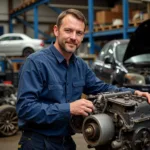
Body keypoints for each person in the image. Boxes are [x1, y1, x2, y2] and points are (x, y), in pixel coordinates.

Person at [16, 9, 150, 150]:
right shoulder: (36, 63)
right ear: (56, 31)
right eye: (68, 30)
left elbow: (103, 88)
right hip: (37, 142)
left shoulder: (80, 66)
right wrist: (69, 109)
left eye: (79, 33)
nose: (73, 37)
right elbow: (25, 109)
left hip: (66, 142)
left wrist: (134, 94)